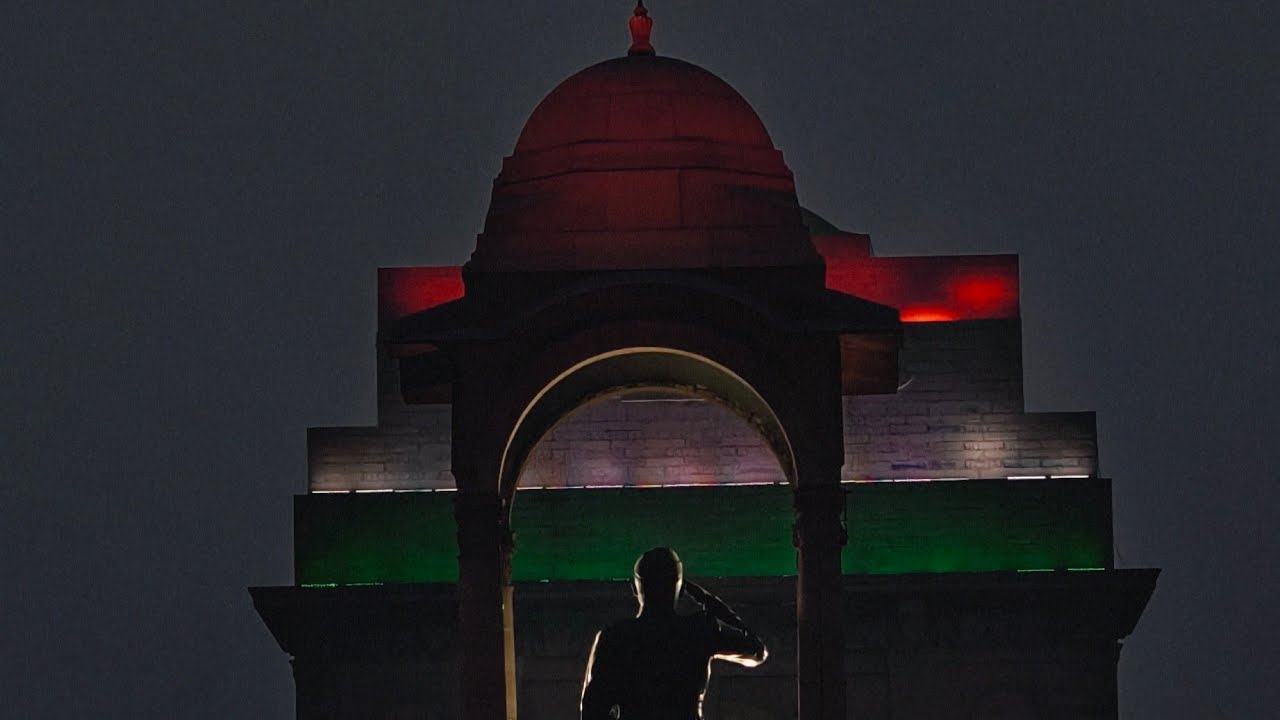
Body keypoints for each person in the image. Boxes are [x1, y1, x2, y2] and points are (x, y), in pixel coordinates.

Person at [580, 547, 768, 720]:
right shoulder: (697, 632)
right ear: (679, 588)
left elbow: (591, 708)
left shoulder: (615, 637)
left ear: (634, 587)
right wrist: (704, 597)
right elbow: (757, 650)